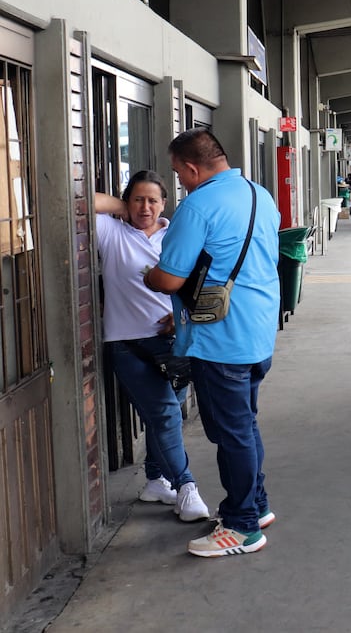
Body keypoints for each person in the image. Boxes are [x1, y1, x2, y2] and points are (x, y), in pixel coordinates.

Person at [142, 129, 280, 558]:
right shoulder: (260, 195)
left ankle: (241, 528)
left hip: (221, 340)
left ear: (190, 168)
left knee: (232, 433)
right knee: (245, 425)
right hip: (257, 331)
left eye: (179, 173)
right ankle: (254, 507)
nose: (180, 182)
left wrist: (148, 275)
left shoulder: (198, 205)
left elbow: (169, 277)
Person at [94, 171, 210, 523]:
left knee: (167, 416)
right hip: (128, 344)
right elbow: (77, 202)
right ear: (127, 203)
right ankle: (186, 486)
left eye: (152, 200)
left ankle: (156, 480)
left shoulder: (175, 235)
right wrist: (120, 208)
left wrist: (181, 314)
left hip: (175, 342)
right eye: (137, 199)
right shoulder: (112, 232)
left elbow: (200, 280)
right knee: (165, 415)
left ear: (164, 204)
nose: (145, 207)